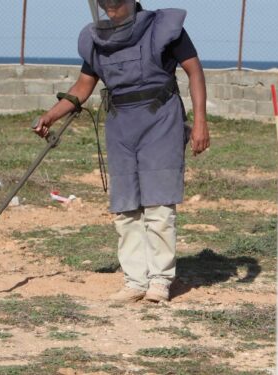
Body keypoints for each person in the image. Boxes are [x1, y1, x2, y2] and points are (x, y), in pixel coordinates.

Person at [33, 0, 209, 303]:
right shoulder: (96, 39)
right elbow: (82, 87)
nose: (111, 9)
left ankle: (160, 280)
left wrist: (200, 123)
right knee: (125, 205)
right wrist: (50, 115)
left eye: (116, 3)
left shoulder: (164, 27)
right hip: (121, 125)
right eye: (105, 4)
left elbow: (194, 71)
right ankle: (135, 281)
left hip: (161, 120)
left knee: (158, 204)